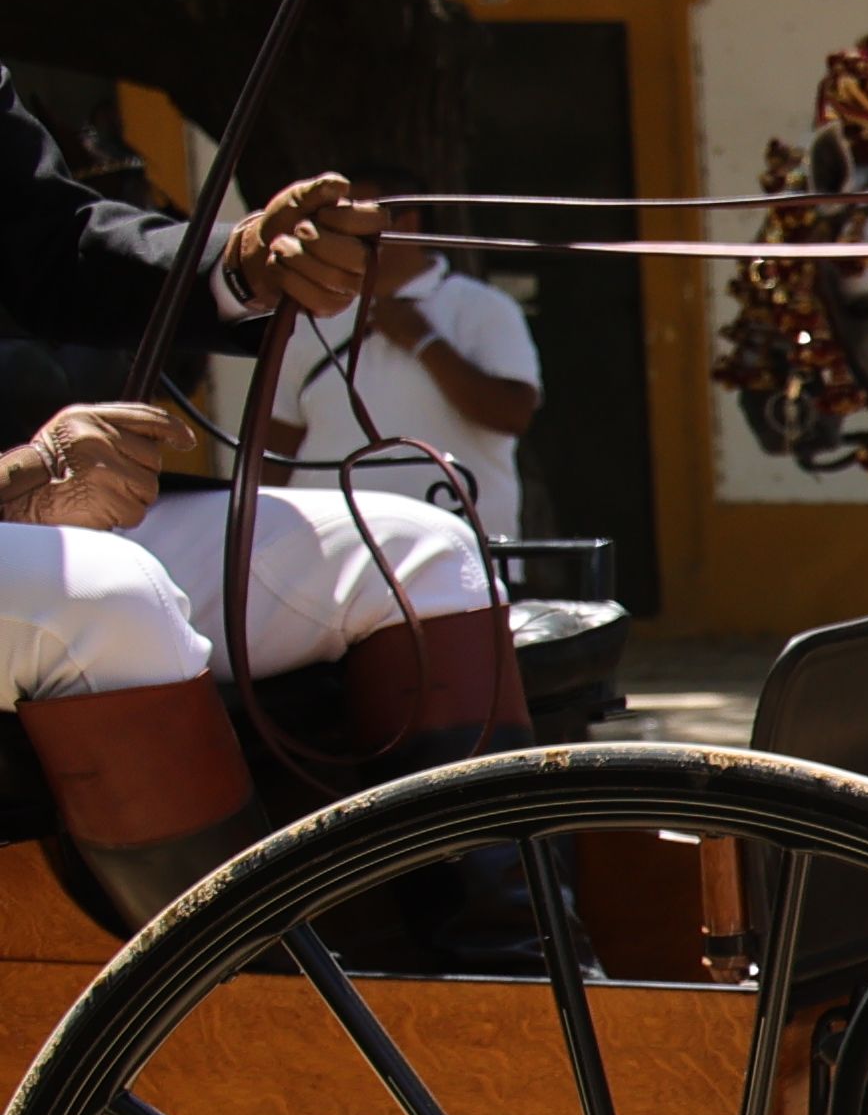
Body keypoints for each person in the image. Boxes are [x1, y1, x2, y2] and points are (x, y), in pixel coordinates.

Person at [0, 95, 507, 928]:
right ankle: (230, 981)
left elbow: (49, 237)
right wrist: (12, 477)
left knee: (418, 553)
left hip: (40, 506)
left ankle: (502, 966)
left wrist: (240, 265)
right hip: (30, 507)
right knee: (104, 596)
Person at [279, 216, 545, 540]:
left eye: (354, 223)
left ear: (406, 224)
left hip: (457, 550)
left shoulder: (483, 306)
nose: (339, 235)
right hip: (332, 551)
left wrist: (423, 340)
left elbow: (512, 414)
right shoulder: (310, 318)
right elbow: (277, 449)